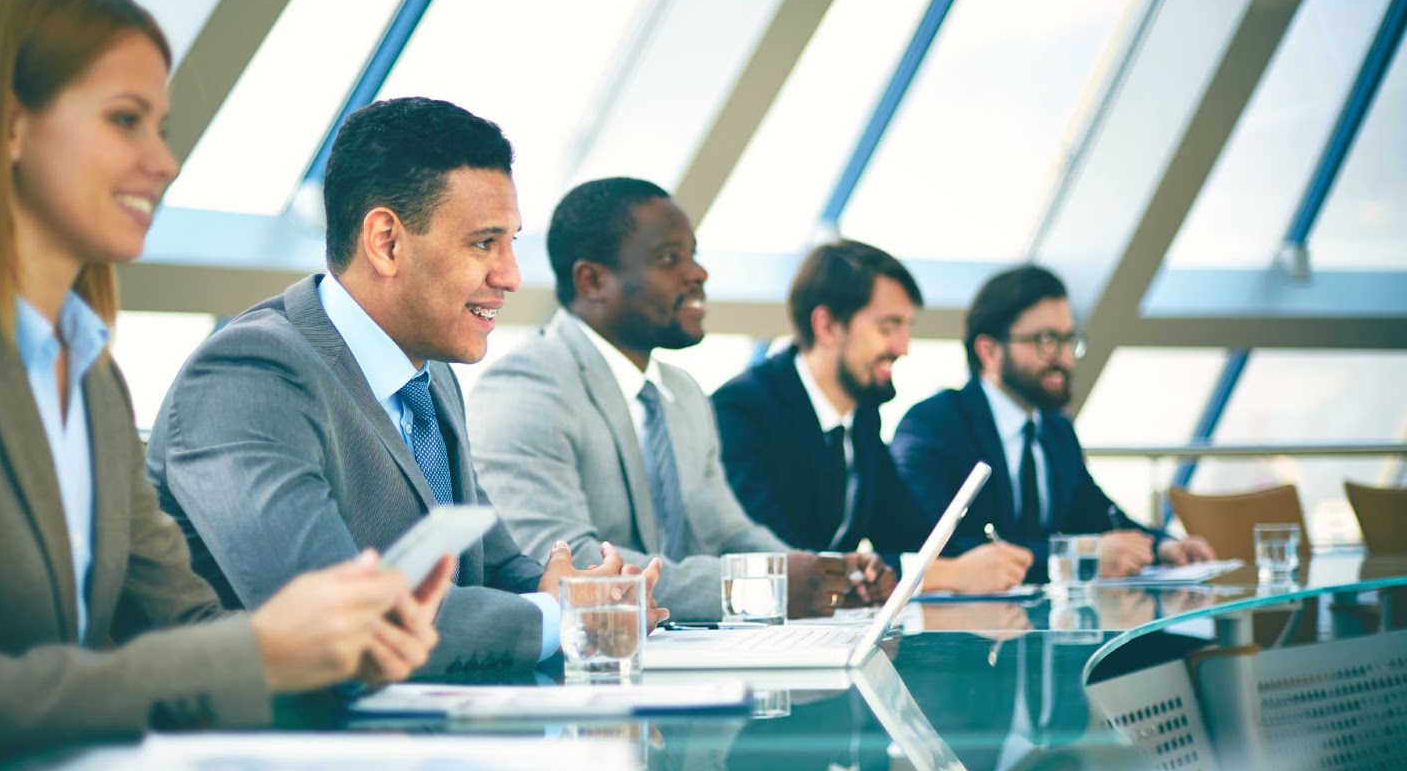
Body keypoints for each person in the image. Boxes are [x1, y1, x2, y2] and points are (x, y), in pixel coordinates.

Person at [0, 0, 445, 771]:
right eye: (124, 120)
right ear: (9, 126)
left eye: (163, 127)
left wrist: (336, 657)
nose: (165, 161)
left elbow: (182, 634)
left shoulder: (94, 379)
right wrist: (259, 650)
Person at [147, 97, 653, 679]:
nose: (510, 275)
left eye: (512, 242)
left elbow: (488, 564)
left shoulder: (429, 372)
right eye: (484, 243)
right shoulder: (249, 375)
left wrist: (585, 594)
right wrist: (558, 618)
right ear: (386, 242)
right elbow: (338, 616)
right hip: (272, 743)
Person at [469, 177, 879, 622]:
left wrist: (820, 575)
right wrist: (759, 588)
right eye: (669, 259)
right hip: (598, 667)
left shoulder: (682, 392)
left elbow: (727, 531)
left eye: (693, 255)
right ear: (592, 280)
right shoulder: (527, 387)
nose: (697, 273)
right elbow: (569, 564)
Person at [712, 241, 1032, 594]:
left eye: (907, 326)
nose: (903, 347)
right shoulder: (741, 411)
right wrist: (945, 575)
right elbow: (780, 561)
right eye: (888, 326)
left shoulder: (861, 418)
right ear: (828, 326)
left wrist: (976, 562)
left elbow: (906, 533)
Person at [890, 265, 1214, 580]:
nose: (1064, 358)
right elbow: (933, 549)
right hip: (961, 628)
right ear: (989, 351)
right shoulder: (933, 425)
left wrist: (1163, 546)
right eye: (1046, 341)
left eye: (1068, 339)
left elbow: (1098, 514)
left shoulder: (1055, 431)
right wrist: (1078, 555)